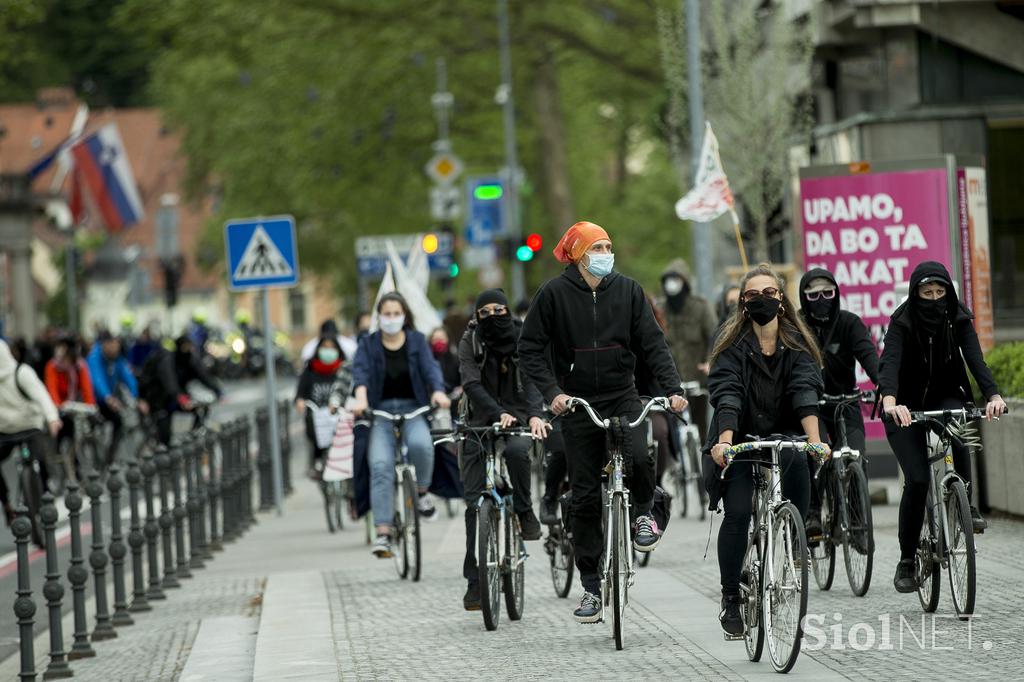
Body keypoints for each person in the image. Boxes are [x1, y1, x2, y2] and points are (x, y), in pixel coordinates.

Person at [518, 220, 686, 623]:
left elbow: (652, 343)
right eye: (597, 247)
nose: (605, 253)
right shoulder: (553, 294)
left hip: (622, 395)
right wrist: (552, 394)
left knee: (643, 457)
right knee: (586, 498)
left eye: (608, 245)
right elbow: (531, 349)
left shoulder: (628, 291)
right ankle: (591, 586)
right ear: (577, 254)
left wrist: (673, 388)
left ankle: (644, 512)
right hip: (576, 402)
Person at [705, 263, 828, 637]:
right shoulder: (731, 346)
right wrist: (725, 441)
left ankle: (793, 536)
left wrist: (814, 439)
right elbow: (728, 393)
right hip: (740, 437)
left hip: (786, 432)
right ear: (743, 303)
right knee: (739, 512)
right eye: (753, 295)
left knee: (798, 461)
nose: (762, 300)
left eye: (770, 293)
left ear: (782, 299)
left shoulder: (797, 343)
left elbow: (805, 392)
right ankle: (730, 598)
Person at [878, 261, 1006, 594]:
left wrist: (992, 394)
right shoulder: (901, 323)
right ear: (914, 293)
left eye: (940, 292)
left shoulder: (958, 317)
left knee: (961, 431)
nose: (934, 299)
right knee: (917, 479)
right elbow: (889, 364)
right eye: (927, 293)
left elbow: (975, 358)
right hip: (904, 407)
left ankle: (968, 504)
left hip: (947, 396)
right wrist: (890, 402)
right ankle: (907, 560)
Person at [457, 288, 547, 611]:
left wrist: (535, 413)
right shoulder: (471, 342)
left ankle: (524, 510)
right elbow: (470, 383)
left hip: (521, 412)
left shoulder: (524, 337)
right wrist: (497, 413)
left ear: (509, 310)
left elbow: (536, 377)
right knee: (472, 503)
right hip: (481, 417)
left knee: (517, 452)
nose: (494, 317)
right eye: (486, 312)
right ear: (476, 317)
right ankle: (474, 582)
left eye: (500, 310)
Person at [350, 292, 450, 558]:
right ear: (378, 317)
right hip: (380, 412)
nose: (391, 319)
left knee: (422, 444)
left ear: (404, 315)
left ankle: (421, 492)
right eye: (386, 314)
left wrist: (438, 392)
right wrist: (360, 397)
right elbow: (360, 373)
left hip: (413, 408)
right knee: (380, 465)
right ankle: (383, 533)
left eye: (396, 313)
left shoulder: (417, 341)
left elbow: (431, 370)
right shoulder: (369, 345)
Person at [798, 268, 880, 538]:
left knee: (857, 455)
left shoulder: (849, 323)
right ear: (803, 297)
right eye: (813, 295)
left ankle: (857, 522)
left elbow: (869, 356)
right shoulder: (796, 326)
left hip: (846, 401)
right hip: (811, 406)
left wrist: (884, 385)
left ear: (837, 294)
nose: (821, 299)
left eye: (828, 293)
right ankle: (812, 510)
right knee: (816, 452)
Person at [0, 339, 61, 525]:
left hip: (29, 425)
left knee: (40, 460)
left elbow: (41, 394)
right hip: (6, 430)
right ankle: (6, 502)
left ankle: (46, 496)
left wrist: (52, 417)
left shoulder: (21, 373)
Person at [659, 259, 718, 447]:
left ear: (684, 281)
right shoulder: (660, 310)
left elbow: (715, 337)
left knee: (700, 428)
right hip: (670, 384)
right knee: (669, 430)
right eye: (668, 280)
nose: (672, 284)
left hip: (697, 381)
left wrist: (710, 362)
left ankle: (699, 468)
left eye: (676, 279)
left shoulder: (700, 307)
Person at [137, 336, 222, 446]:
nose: (189, 350)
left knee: (200, 410)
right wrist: (181, 398)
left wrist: (217, 390)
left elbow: (202, 375)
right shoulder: (167, 361)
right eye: (186, 347)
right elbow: (169, 383)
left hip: (174, 397)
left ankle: (191, 439)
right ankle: (162, 451)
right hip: (157, 399)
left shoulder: (189, 359)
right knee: (164, 433)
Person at [295, 336, 352, 477]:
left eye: (331, 347)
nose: (328, 351)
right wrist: (300, 401)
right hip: (317, 417)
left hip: (339, 416)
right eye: (324, 347)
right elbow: (300, 393)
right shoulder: (310, 370)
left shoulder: (343, 369)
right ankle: (317, 460)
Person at [87, 331, 146, 464]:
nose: (116, 349)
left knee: (118, 422)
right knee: (90, 427)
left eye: (117, 345)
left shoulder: (117, 359)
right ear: (105, 345)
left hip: (109, 400)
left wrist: (137, 398)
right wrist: (107, 397)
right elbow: (97, 379)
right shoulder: (94, 357)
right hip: (93, 400)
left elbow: (128, 378)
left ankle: (109, 456)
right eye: (113, 345)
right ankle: (86, 459)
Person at [44, 337, 96, 453]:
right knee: (58, 434)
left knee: (77, 433)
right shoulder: (52, 366)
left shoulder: (80, 366)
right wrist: (57, 406)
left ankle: (75, 462)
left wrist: (91, 406)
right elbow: (52, 388)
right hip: (57, 407)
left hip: (73, 406)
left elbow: (87, 388)